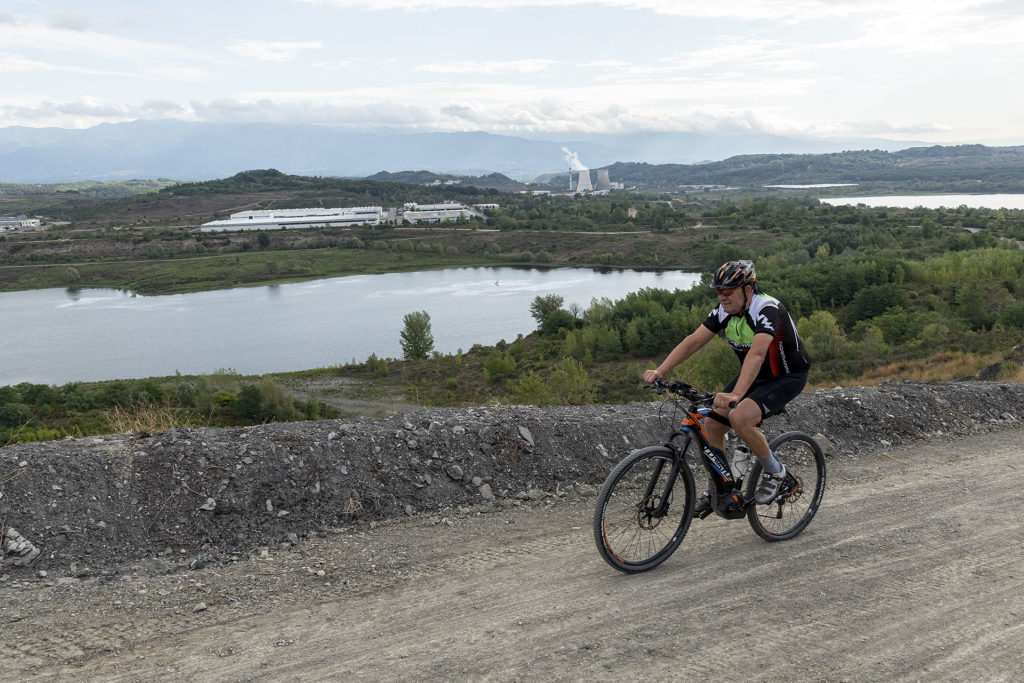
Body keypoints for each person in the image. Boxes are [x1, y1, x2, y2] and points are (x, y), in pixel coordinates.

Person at [642, 259, 810, 511]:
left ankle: (777, 474)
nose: (722, 296)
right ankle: (719, 491)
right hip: (754, 375)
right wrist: (661, 371)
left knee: (740, 416)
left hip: (787, 376)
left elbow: (757, 354)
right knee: (713, 424)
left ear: (748, 290)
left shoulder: (767, 309)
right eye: (719, 291)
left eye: (728, 291)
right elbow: (693, 341)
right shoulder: (726, 311)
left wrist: (736, 395)